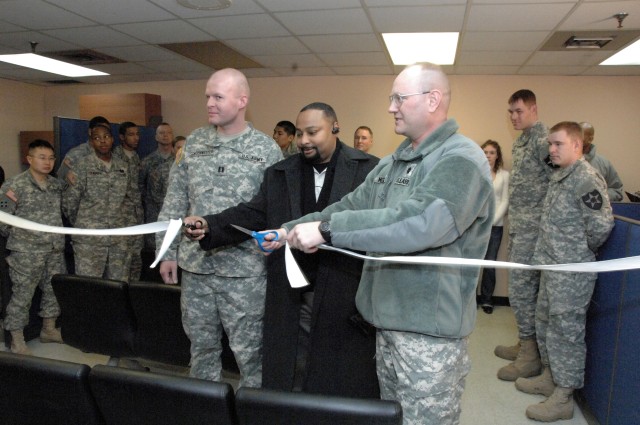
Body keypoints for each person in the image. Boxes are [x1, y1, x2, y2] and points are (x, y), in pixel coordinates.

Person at [274, 63, 494, 424]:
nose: (391, 107)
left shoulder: (461, 159)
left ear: (433, 99)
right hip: (387, 324)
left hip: (429, 333)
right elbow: (350, 205)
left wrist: (328, 231)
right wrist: (290, 230)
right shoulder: (395, 161)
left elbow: (421, 223)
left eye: (399, 98)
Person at [183, 102, 380, 398]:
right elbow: (252, 212)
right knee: (293, 370)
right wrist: (210, 224)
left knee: (340, 373)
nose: (303, 141)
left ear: (335, 127)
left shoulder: (369, 170)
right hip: (291, 291)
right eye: (299, 133)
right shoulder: (280, 172)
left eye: (312, 132)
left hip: (343, 289)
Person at [156, 68, 282, 386]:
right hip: (196, 267)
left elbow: (273, 212)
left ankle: (253, 412)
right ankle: (206, 411)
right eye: (207, 96)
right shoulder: (194, 143)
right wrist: (166, 251)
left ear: (242, 100)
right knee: (201, 351)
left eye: (218, 97)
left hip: (245, 272)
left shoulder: (266, 150)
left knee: (251, 355)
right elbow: (174, 202)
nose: (209, 103)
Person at [515, 121, 613, 422]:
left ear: (576, 145)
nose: (551, 149)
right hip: (551, 267)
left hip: (570, 274)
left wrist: (576, 253)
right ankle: (550, 376)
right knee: (545, 323)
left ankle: (564, 396)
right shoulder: (561, 175)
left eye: (557, 144)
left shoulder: (585, 178)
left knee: (566, 333)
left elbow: (601, 225)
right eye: (550, 144)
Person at [495, 89, 554, 381]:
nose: (514, 117)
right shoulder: (522, 142)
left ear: (533, 109)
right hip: (520, 227)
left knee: (522, 291)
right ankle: (525, 344)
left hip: (535, 232)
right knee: (522, 293)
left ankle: (531, 357)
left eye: (519, 111)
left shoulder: (545, 143)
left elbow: (560, 180)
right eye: (511, 112)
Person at [0, 140, 65, 355]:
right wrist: (22, 240)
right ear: (29, 159)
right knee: (22, 295)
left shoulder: (56, 185)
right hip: (26, 251)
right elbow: (3, 220)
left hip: (54, 247)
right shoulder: (14, 185)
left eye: (51, 158)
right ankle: (16, 338)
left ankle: (48, 329)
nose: (47, 162)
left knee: (53, 290)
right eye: (41, 157)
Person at [62, 121, 139, 283]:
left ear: (113, 139)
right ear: (92, 141)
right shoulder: (82, 166)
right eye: (97, 138)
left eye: (106, 137)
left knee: (118, 287)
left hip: (119, 240)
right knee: (89, 288)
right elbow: (70, 203)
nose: (102, 141)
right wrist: (86, 224)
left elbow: (131, 200)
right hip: (90, 241)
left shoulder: (123, 166)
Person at [478, 140, 509, 314]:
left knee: (489, 264)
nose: (488, 156)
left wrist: (492, 221)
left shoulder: (505, 175)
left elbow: (505, 200)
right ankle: (470, 300)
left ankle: (487, 299)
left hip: (495, 226)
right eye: (485, 152)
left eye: (492, 152)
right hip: (477, 225)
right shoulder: (477, 174)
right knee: (473, 263)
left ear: (497, 155)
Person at [114, 121, 144, 281]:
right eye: (131, 134)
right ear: (121, 137)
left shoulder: (137, 157)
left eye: (137, 134)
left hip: (137, 217)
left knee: (136, 260)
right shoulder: (114, 158)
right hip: (120, 219)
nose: (136, 138)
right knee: (121, 263)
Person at [139, 122, 175, 249]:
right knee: (153, 251)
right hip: (154, 215)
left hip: (175, 213)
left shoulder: (180, 160)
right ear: (156, 137)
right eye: (162, 133)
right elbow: (140, 187)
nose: (165, 136)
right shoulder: (147, 161)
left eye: (168, 133)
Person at [57, 115, 110, 185]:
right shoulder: (76, 154)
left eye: (106, 133)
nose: (103, 138)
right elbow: (60, 180)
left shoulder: (110, 154)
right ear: (90, 132)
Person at [579, 122, 623, 202]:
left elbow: (616, 191)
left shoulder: (603, 164)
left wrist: (598, 196)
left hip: (595, 212)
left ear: (590, 138)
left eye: (580, 135)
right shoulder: (562, 162)